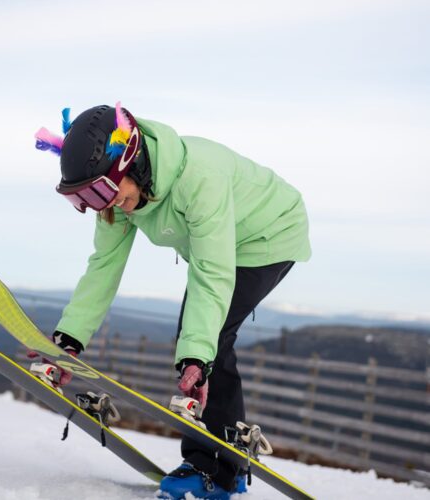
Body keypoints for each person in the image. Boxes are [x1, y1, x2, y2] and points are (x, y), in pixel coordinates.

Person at [35, 102, 311, 500]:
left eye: (102, 191)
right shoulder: (117, 193)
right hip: (225, 243)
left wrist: (196, 358)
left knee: (207, 338)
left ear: (132, 163)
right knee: (201, 334)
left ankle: (217, 468)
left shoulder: (200, 178)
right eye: (87, 198)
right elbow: (103, 266)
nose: (102, 204)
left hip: (268, 235)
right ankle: (213, 457)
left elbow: (212, 273)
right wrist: (69, 341)